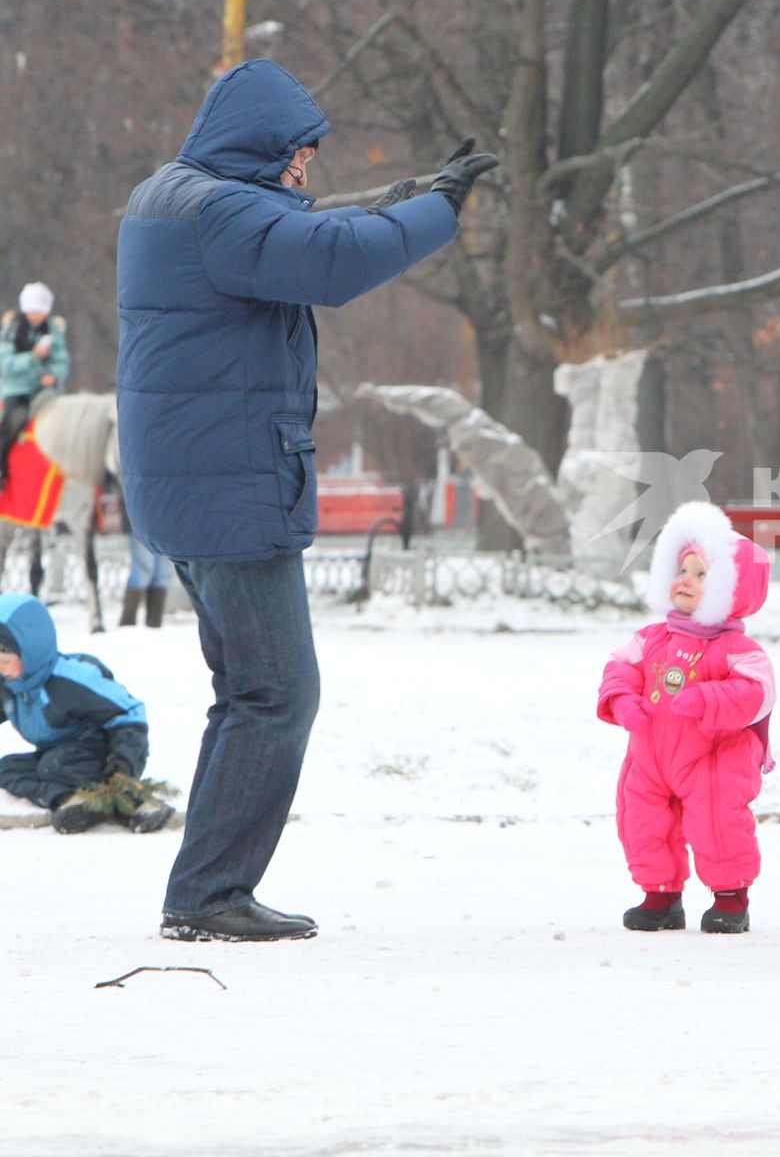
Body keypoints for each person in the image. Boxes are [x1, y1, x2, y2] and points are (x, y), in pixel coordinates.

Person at [116, 58, 495, 942]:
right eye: (298, 155)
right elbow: (327, 257)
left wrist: (395, 196)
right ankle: (208, 894)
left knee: (246, 692)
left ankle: (205, 888)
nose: (304, 172)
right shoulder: (219, 214)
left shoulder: (171, 198)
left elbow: (294, 226)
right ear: (262, 145)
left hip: (198, 484)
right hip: (232, 486)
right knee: (278, 694)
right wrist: (436, 209)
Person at [598, 502, 775, 935]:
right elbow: (619, 668)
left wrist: (708, 699)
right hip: (651, 754)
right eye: (683, 570)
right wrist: (622, 700)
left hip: (714, 756)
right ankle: (660, 894)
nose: (686, 581)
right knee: (642, 818)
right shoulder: (651, 638)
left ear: (730, 591)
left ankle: (730, 897)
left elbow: (758, 693)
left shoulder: (737, 650)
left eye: (702, 575)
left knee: (718, 821)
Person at [0, 594, 173, 834]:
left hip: (103, 753)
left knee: (54, 766)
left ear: (30, 650)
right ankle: (68, 800)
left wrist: (124, 765)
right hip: (60, 755)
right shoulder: (10, 685)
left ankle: (133, 802)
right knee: (7, 768)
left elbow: (129, 713)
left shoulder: (70, 680)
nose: (1, 668)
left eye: (6, 660)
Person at [0, 282, 69, 491]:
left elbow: (61, 361)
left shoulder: (53, 331)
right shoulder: (12, 331)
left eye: (40, 311)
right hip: (17, 389)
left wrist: (54, 376)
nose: (36, 316)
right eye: (33, 310)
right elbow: (6, 363)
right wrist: (33, 358)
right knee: (12, 421)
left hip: (45, 390)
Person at [122, 533, 173, 629]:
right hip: (144, 526)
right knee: (141, 573)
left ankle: (154, 623)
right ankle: (127, 624)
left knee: (162, 575)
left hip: (168, 527)